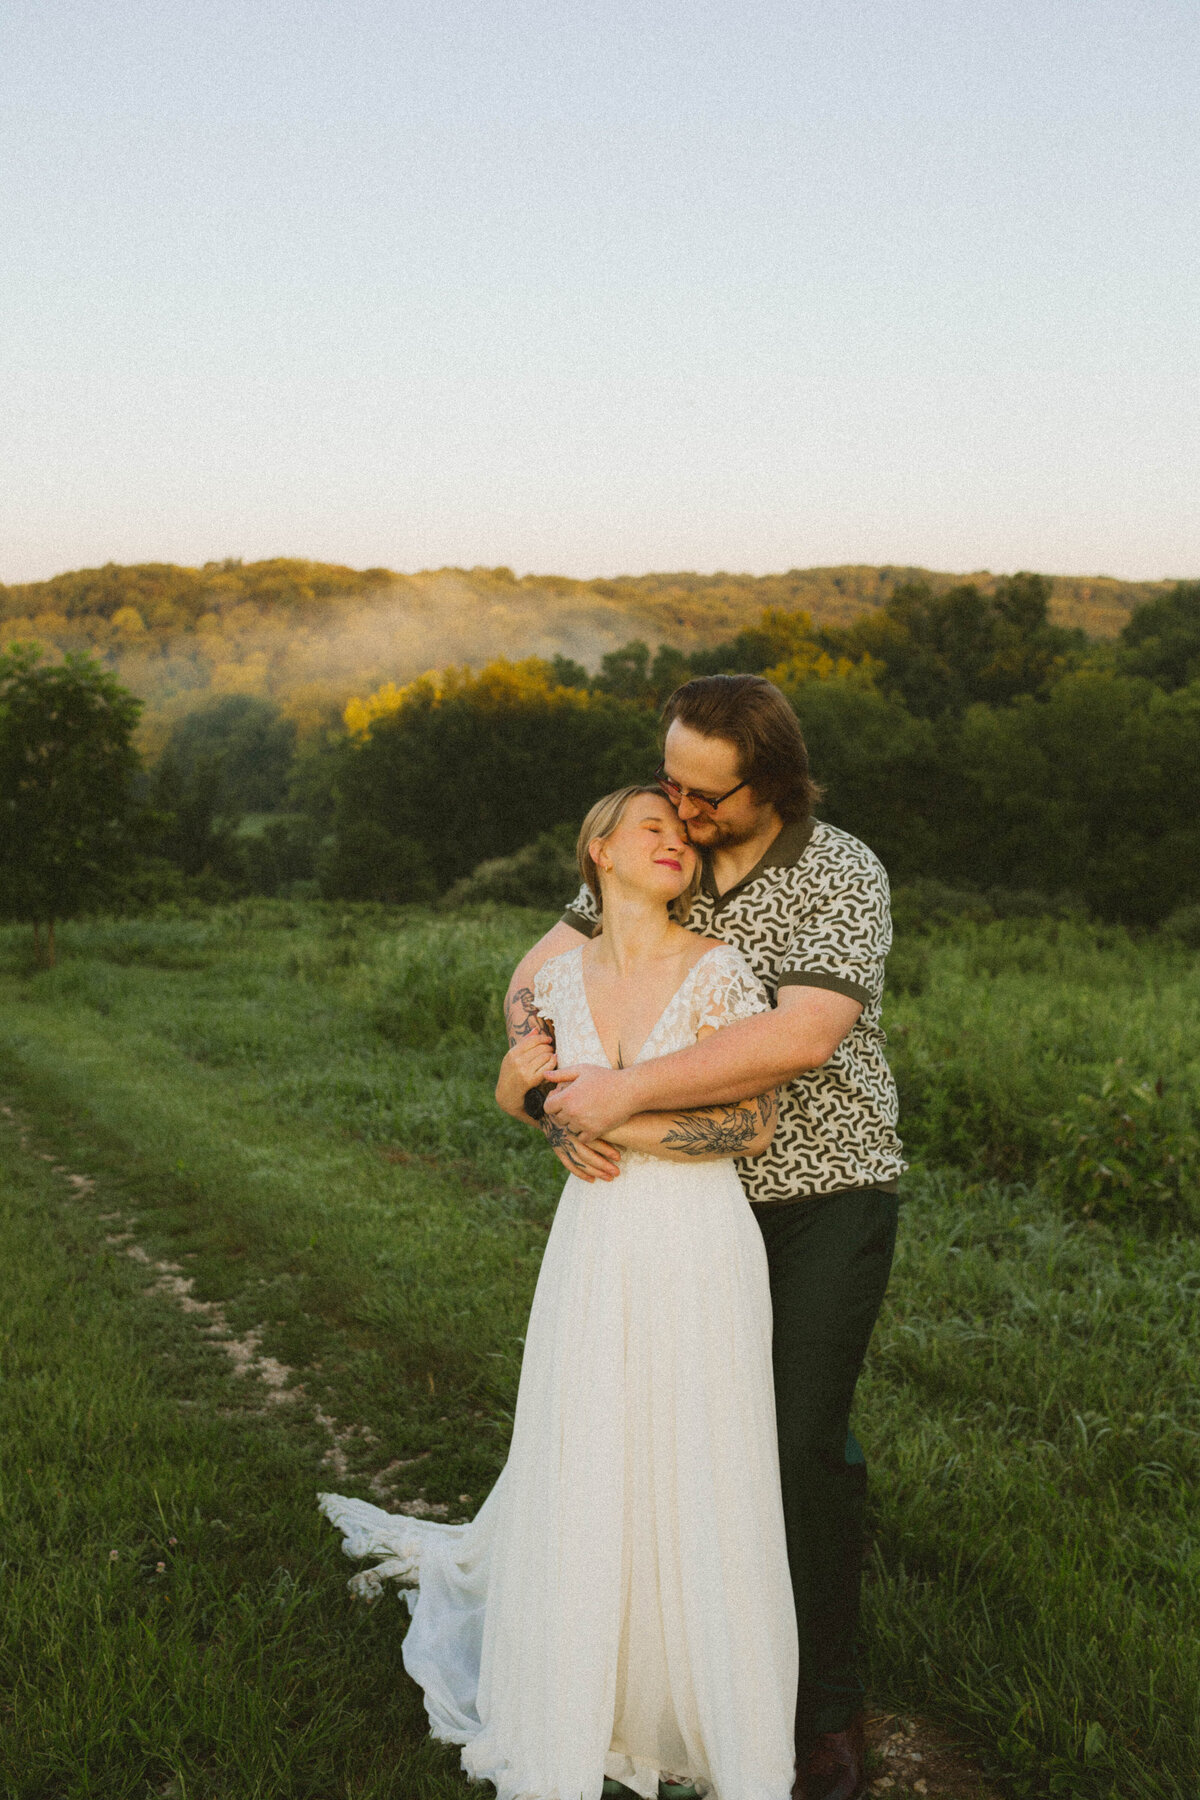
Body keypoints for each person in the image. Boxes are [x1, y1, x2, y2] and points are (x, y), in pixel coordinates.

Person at [321, 784, 799, 1800]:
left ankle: (701, 1710)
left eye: (683, 833)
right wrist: (528, 1101)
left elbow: (751, 1126)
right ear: (599, 855)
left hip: (700, 1239)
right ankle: (586, 1694)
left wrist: (604, 1118)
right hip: (595, 1239)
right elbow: (529, 1095)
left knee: (696, 1456)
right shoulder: (562, 983)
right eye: (650, 829)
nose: (673, 841)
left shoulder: (719, 971)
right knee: (591, 1447)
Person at [510, 676, 905, 1800]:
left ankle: (822, 1714)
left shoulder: (839, 870)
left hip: (823, 1192)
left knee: (792, 1443)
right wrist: (550, 1091)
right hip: (679, 1210)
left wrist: (616, 1094)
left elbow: (806, 1031)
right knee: (675, 1442)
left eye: (702, 793)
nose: (677, 807)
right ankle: (671, 1671)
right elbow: (533, 983)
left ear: (767, 784)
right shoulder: (654, 851)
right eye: (668, 780)